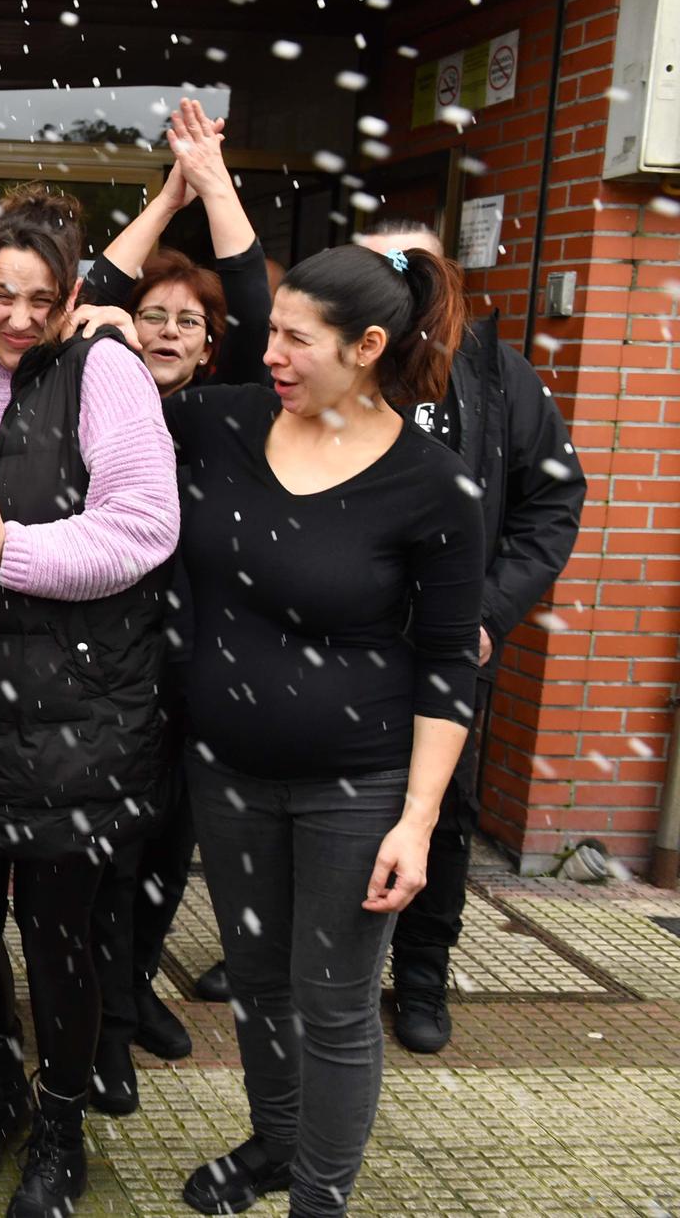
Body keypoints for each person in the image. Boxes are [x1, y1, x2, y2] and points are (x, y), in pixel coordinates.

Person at [164, 242, 484, 1217]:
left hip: (358, 787)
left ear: (367, 346)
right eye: (270, 332)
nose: (271, 354)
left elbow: (445, 664)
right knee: (257, 983)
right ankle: (273, 1142)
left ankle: (317, 1197)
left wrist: (416, 819)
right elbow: (96, 368)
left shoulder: (430, 484)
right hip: (227, 776)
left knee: (334, 1002)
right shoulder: (224, 423)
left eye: (296, 339)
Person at [0, 188, 180, 1215]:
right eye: (0, 295)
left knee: (61, 933)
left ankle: (61, 1120)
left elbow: (143, 527)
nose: (18, 317)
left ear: (71, 298)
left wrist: (18, 549)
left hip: (75, 713)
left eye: (39, 298)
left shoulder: (104, 371)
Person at [72, 99, 276, 1090]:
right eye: (149, 315)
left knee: (163, 855)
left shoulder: (224, 418)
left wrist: (218, 185)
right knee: (104, 855)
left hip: (193, 678)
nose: (161, 328)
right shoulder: (86, 402)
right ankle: (99, 1027)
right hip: (98, 672)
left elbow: (254, 299)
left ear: (207, 349)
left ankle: (131, 986)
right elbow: (92, 289)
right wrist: (168, 193)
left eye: (183, 322)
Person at [354, 217, 585, 1054]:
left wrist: (487, 610)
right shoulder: (345, 356)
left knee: (439, 813)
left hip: (449, 647)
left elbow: (554, 503)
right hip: (340, 643)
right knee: (322, 798)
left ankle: (421, 974)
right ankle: (288, 954)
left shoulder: (496, 376)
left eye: (412, 261)